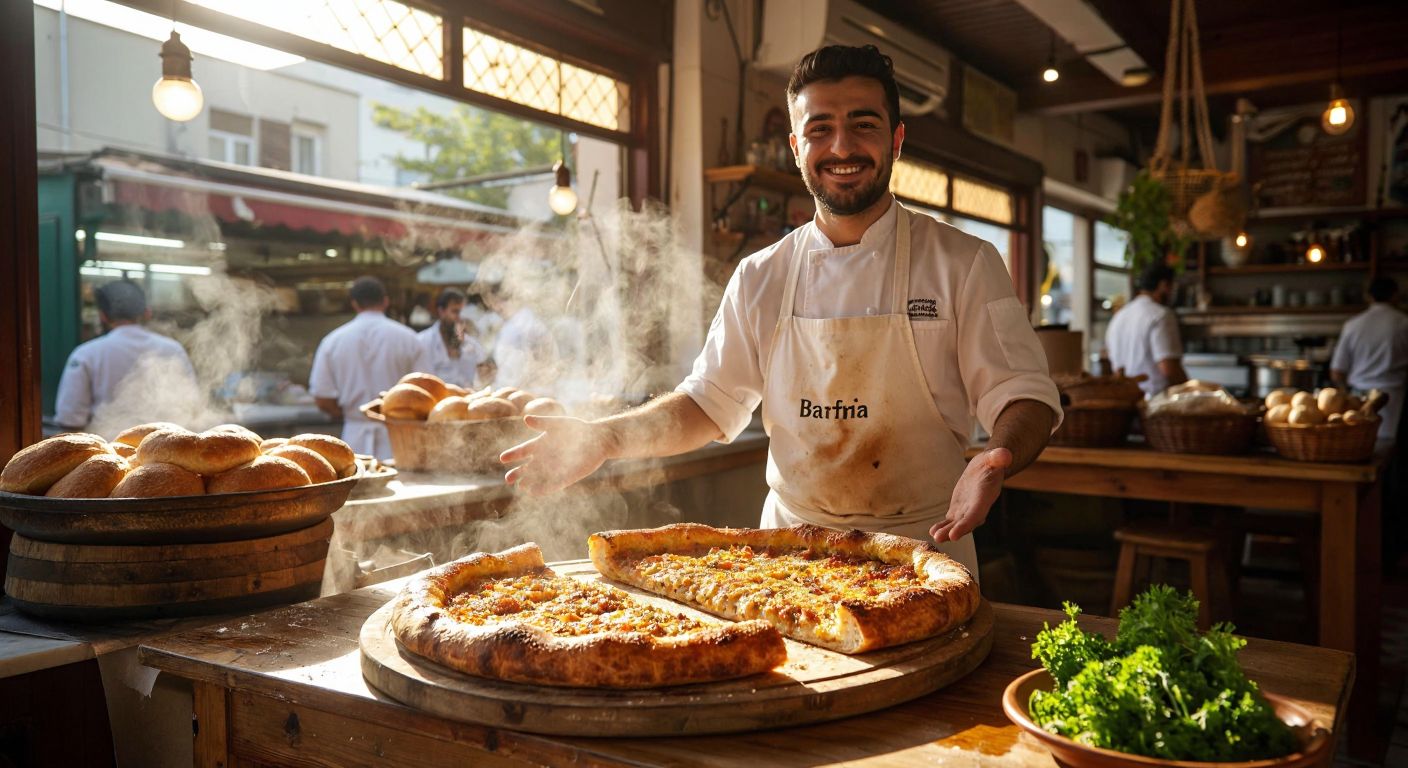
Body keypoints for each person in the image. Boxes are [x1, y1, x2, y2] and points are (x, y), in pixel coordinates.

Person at [500, 45, 1060, 576]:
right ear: (797, 147)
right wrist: (604, 438)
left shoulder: (963, 262)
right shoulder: (761, 276)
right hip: (791, 558)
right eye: (820, 129)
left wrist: (997, 455)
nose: (841, 147)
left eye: (863, 125)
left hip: (927, 548)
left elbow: (1024, 394)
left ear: (896, 139)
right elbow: (706, 403)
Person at [53, 279, 199, 432]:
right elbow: (192, 407)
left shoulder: (86, 354)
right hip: (163, 450)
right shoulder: (173, 350)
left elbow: (69, 419)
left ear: (103, 316)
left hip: (107, 451)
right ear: (147, 313)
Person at [309, 276, 429, 458]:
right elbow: (426, 392)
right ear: (386, 301)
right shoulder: (409, 339)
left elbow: (322, 399)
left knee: (356, 485)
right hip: (401, 438)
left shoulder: (332, 341)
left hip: (354, 439)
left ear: (354, 304)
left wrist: (352, 414)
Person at [1331, 277, 1408, 439]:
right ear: (1395, 295)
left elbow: (1337, 372)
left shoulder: (1353, 325)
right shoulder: (1403, 323)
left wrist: (1343, 395)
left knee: (1359, 444)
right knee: (1387, 449)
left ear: (1368, 296)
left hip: (1358, 398)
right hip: (1393, 397)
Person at [1102, 263, 1188, 397]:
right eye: (1171, 287)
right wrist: (1191, 392)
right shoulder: (1161, 315)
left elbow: (1115, 368)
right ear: (1163, 285)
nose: (1172, 293)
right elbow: (1169, 368)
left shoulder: (1118, 318)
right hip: (1156, 404)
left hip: (1126, 402)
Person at [489, 285, 558, 390]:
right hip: (510, 386)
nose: (494, 308)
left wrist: (528, 381)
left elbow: (543, 353)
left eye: (495, 302)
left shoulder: (526, 322)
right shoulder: (510, 323)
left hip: (525, 388)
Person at [417, 288, 486, 389]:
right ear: (441, 311)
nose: (459, 317)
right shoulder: (423, 342)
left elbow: (483, 375)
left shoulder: (472, 344)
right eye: (455, 312)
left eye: (462, 312)